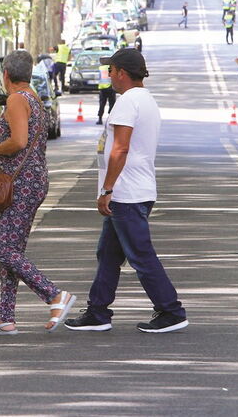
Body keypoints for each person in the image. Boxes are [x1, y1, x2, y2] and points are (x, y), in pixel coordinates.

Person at [64, 48, 187, 333]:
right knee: (107, 253)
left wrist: (107, 188)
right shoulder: (146, 100)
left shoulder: (127, 102)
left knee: (141, 255)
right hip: (136, 188)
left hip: (126, 192)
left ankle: (171, 310)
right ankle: (98, 311)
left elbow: (120, 148)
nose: (108, 75)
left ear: (122, 72)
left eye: (111, 70)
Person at [0, 50, 75, 335]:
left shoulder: (16, 99)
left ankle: (54, 295)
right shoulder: (34, 98)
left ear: (6, 75)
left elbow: (18, 141)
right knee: (13, 250)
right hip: (32, 180)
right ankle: (5, 317)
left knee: (3, 249)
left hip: (19, 183)